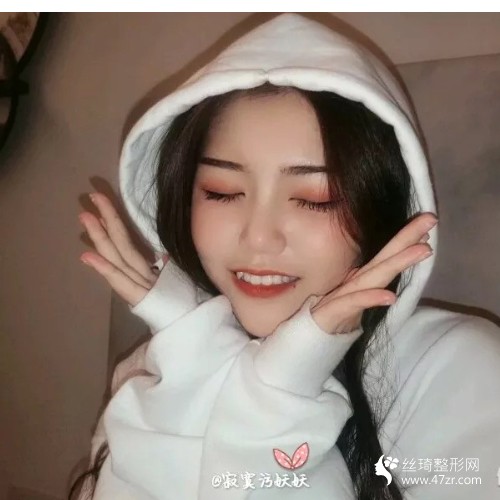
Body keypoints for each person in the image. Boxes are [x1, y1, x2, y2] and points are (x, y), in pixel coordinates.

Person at [70, 13, 500, 500]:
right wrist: (194, 353)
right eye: (222, 191)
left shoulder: (457, 370)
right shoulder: (156, 365)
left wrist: (284, 386)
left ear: (381, 208)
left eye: (315, 198)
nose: (258, 238)